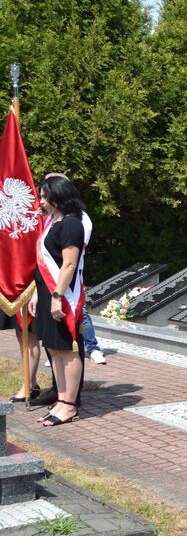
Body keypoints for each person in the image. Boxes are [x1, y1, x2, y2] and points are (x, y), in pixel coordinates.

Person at [28, 176, 87, 427]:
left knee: (67, 347)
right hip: (46, 292)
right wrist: (35, 293)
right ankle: (61, 400)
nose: (41, 201)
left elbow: (69, 263)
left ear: (59, 196)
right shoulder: (52, 222)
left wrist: (57, 296)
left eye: (44, 196)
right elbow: (42, 263)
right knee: (53, 348)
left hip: (63, 295)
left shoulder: (73, 224)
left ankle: (70, 405)